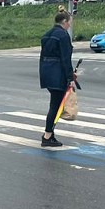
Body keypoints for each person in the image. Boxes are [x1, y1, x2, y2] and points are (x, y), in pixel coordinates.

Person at [39, 10, 75, 148]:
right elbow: (65, 59)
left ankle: (50, 134)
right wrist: (70, 77)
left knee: (54, 105)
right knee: (55, 106)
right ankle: (47, 135)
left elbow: (43, 57)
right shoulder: (63, 35)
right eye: (69, 22)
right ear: (64, 22)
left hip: (46, 74)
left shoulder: (47, 35)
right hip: (58, 74)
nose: (70, 25)